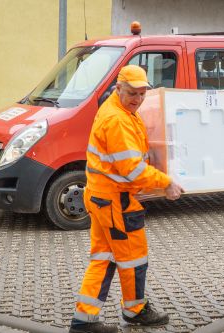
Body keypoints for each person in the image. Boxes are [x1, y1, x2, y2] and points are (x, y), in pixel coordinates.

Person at [69, 65, 184, 333]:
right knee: (133, 258)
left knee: (104, 258)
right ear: (118, 88)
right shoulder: (118, 120)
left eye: (143, 94)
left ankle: (83, 321)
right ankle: (135, 310)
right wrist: (165, 183)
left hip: (102, 199)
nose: (138, 99)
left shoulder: (118, 109)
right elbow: (132, 169)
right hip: (116, 203)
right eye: (133, 93)